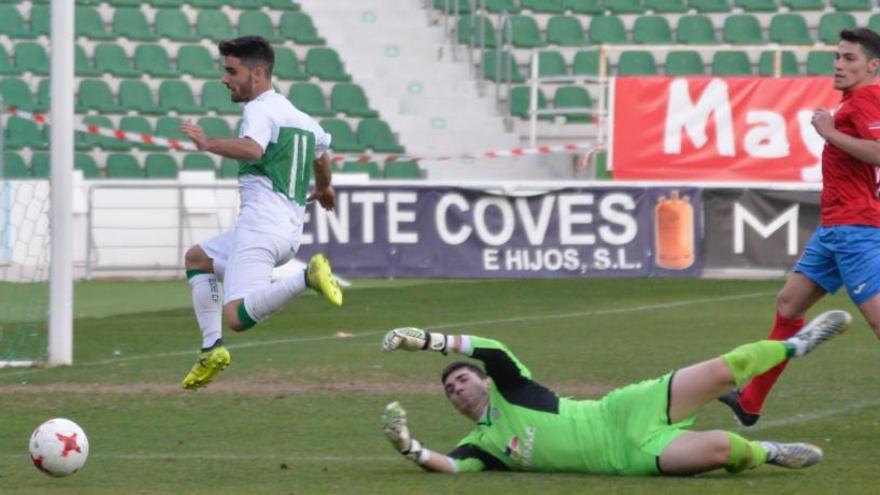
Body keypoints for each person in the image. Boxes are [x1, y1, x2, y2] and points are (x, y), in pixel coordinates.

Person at [379, 310, 850, 475]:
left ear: (483, 381)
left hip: (621, 409)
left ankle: (793, 344)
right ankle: (768, 452)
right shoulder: (483, 446)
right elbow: (453, 468)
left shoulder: (511, 386)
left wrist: (429, 341)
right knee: (723, 449)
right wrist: (409, 447)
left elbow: (492, 346)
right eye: (449, 390)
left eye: (462, 379)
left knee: (720, 372)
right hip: (627, 460)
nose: (458, 389)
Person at [719, 27, 880, 426]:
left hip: (855, 229)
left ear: (873, 66)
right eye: (837, 57)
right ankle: (751, 400)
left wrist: (828, 132)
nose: (839, 64)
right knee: (789, 305)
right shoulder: (850, 104)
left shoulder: (868, 99)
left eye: (850, 59)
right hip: (836, 228)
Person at [177, 36, 342, 390]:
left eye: (231, 71)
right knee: (198, 258)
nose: (225, 79)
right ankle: (211, 348)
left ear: (258, 72)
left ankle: (306, 279)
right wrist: (325, 188)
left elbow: (253, 149)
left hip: (260, 228)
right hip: (286, 231)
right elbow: (322, 154)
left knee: (237, 315)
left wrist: (207, 144)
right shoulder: (300, 117)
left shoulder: (259, 110)